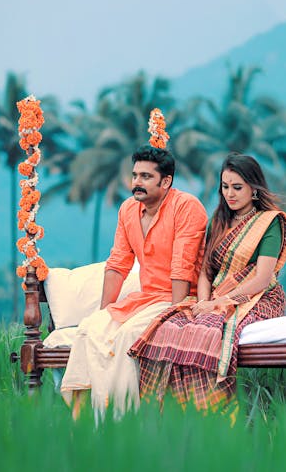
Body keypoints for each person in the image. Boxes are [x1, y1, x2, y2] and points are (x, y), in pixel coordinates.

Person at [59, 109, 208, 420]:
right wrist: (104, 310)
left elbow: (183, 266)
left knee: (128, 338)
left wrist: (176, 313)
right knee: (90, 329)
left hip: (177, 299)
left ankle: (123, 418)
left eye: (146, 177)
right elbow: (117, 265)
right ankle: (82, 419)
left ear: (166, 181)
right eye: (135, 175)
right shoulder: (129, 209)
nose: (137, 183)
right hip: (143, 299)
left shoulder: (186, 207)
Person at [129, 152, 286, 410]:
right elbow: (205, 271)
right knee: (171, 327)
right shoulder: (219, 220)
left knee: (206, 329)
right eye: (225, 187)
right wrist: (203, 302)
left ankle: (214, 412)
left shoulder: (269, 222)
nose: (230, 194)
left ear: (254, 188)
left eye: (237, 187)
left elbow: (261, 278)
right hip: (216, 297)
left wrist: (220, 304)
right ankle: (171, 411)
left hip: (258, 299)